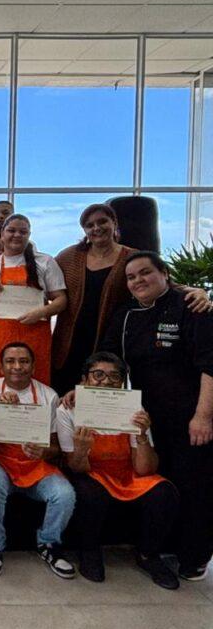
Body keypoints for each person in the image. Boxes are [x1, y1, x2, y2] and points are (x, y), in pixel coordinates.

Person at [100, 251, 213, 581]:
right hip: (148, 417)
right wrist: (86, 391)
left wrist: (203, 416)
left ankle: (194, 556)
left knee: (197, 486)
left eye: (145, 273)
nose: (137, 280)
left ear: (165, 274)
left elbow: (210, 365)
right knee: (163, 481)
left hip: (193, 417)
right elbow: (108, 359)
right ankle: (162, 547)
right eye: (131, 277)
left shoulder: (192, 307)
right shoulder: (125, 316)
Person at [52, 203, 210, 395]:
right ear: (84, 229)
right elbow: (48, 285)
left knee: (99, 400)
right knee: (63, 398)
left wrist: (194, 291)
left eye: (102, 221)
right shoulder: (68, 257)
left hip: (110, 340)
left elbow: (161, 281)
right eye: (89, 224)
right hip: (68, 344)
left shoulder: (131, 256)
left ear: (114, 223)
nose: (96, 228)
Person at [57, 351, 179, 589]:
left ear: (123, 382)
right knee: (89, 493)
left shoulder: (134, 409)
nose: (106, 381)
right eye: (98, 375)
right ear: (84, 380)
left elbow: (144, 469)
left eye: (115, 376)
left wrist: (142, 436)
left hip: (128, 473)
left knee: (164, 492)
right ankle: (89, 551)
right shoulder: (68, 410)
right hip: (91, 471)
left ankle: (148, 555)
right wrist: (81, 449)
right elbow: (75, 466)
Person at [0, 342, 75, 578]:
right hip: (0, 460)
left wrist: (42, 452)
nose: (17, 367)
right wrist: (3, 411)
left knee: (64, 494)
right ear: (0, 367)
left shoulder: (48, 395)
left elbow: (56, 448)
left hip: (36, 465)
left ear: (33, 366)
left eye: (24, 361)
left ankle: (49, 543)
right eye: (10, 361)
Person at [0, 214, 67, 385]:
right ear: (2, 234)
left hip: (35, 335)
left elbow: (61, 300)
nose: (17, 235)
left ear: (29, 235)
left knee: (36, 384)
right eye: (11, 230)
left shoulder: (45, 262)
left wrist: (42, 311)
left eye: (23, 232)